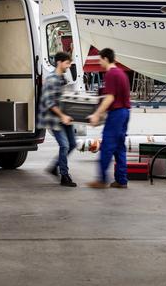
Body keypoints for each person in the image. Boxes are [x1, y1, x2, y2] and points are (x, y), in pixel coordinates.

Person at [87, 48, 131, 189]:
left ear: (106, 59)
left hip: (116, 114)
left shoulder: (111, 74)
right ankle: (121, 180)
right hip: (125, 113)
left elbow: (110, 98)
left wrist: (97, 114)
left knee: (107, 146)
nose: (99, 63)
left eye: (100, 60)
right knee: (119, 147)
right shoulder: (121, 73)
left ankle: (101, 180)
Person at [39, 51, 78, 187]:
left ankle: (54, 166)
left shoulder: (63, 79)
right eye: (67, 63)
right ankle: (64, 176)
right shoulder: (51, 79)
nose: (69, 66)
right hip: (55, 119)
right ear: (59, 63)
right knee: (65, 145)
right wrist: (63, 116)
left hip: (65, 117)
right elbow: (49, 102)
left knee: (72, 144)